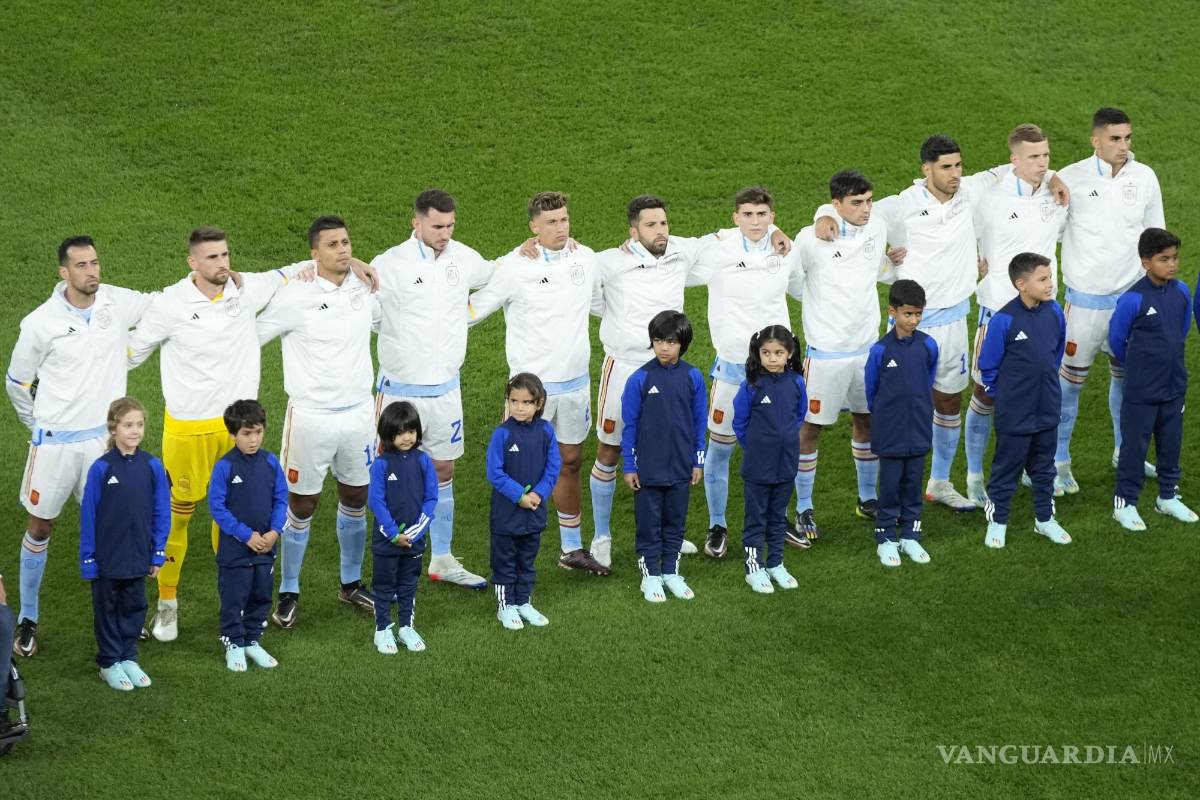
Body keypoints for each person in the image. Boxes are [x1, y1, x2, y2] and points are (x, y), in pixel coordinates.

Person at [812, 137, 1060, 511]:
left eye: (959, 165)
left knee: (948, 401)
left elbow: (1019, 167)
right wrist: (822, 216)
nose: (955, 174)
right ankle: (886, 492)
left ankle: (940, 482)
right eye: (946, 167)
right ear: (926, 168)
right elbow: (850, 210)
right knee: (904, 406)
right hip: (913, 327)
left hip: (956, 319)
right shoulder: (902, 206)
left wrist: (1056, 178)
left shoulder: (971, 191)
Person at [127, 227, 320, 642]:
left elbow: (292, 270)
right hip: (187, 431)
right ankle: (167, 605)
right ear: (192, 262)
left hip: (234, 431)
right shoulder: (170, 304)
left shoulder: (245, 290)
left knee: (231, 517)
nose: (222, 264)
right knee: (177, 517)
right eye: (212, 257)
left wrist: (352, 263)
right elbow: (130, 353)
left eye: (226, 255)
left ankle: (230, 607)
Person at [589, 196, 790, 565]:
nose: (660, 231)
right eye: (650, 225)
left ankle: (669, 533)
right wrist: (618, 319)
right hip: (625, 366)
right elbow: (586, 294)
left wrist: (775, 230)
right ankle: (602, 537)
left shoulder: (683, 251)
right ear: (633, 230)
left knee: (668, 447)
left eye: (663, 223)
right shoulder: (609, 262)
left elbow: (739, 230)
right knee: (611, 449)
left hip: (669, 370)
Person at [6, 236, 155, 658]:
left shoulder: (116, 302)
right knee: (40, 527)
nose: (92, 271)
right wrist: (36, 424)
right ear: (64, 273)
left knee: (113, 528)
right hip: (54, 447)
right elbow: (17, 381)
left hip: (102, 444)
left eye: (95, 263)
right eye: (82, 265)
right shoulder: (40, 322)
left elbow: (160, 305)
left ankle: (123, 617)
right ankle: (28, 618)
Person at [470, 192, 609, 576]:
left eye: (564, 220)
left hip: (576, 384)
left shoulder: (586, 258)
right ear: (533, 227)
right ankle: (509, 553)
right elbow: (473, 309)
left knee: (570, 461)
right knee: (516, 470)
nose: (560, 228)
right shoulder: (514, 266)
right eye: (550, 222)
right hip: (529, 394)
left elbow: (603, 302)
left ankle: (570, 548)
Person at [256, 215, 380, 628]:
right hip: (310, 417)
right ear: (314, 253)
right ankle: (289, 590)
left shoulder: (365, 286)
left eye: (346, 242)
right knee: (302, 503)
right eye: (332, 245)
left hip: (360, 414)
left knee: (356, 497)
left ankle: (350, 584)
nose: (343, 249)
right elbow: (252, 335)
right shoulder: (296, 295)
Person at [370, 189, 494, 590]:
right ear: (416, 222)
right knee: (388, 472)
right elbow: (369, 315)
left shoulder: (464, 258)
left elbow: (496, 275)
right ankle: (388, 556)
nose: (445, 233)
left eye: (451, 225)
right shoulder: (390, 264)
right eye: (438, 226)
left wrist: (529, 250)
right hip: (400, 391)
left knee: (443, 468)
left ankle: (441, 557)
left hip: (446, 391)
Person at [1054, 107, 1165, 491]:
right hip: (1084, 304)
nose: (1123, 146)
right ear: (1095, 140)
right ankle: (1058, 462)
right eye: (1115, 138)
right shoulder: (1069, 179)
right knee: (1069, 385)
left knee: (1129, 381)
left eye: (1128, 138)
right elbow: (1045, 232)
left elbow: (1156, 237)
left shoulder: (1145, 177)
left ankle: (1126, 453)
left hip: (1130, 303)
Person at [693, 186, 805, 558]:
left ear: (772, 216)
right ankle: (717, 525)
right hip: (732, 372)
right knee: (720, 449)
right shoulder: (718, 248)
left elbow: (804, 288)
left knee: (781, 445)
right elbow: (672, 248)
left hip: (778, 373)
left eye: (762, 215)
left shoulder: (785, 251)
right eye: (748, 215)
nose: (755, 222)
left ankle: (779, 517)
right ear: (735, 217)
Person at [964, 124, 1068, 504]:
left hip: (1042, 312)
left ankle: (1031, 469)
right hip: (997, 312)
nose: (1042, 164)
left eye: (1046, 157)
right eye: (1033, 158)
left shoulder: (1057, 194)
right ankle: (975, 475)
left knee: (1038, 392)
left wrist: (1055, 177)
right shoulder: (987, 195)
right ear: (1013, 160)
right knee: (985, 394)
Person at [787, 170, 889, 541]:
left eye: (868, 201)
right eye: (856, 203)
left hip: (867, 348)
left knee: (867, 420)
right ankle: (803, 506)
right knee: (810, 428)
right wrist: (820, 217)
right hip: (826, 354)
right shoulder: (809, 239)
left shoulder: (877, 227)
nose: (865, 209)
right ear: (836, 205)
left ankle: (867, 497)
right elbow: (793, 281)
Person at [978, 253, 1072, 549]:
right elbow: (988, 366)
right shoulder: (1004, 320)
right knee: (1007, 469)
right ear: (1021, 284)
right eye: (1043, 279)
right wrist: (1007, 396)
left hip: (1047, 405)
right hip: (1014, 411)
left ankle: (1045, 520)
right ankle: (998, 521)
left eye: (1050, 278)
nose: (1050, 284)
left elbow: (1054, 354)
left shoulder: (1055, 311)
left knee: (1045, 469)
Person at [79, 397, 169, 691]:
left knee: (135, 605)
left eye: (139, 424)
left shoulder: (153, 466)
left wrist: (157, 552)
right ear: (113, 428)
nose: (135, 430)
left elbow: (161, 511)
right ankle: (108, 662)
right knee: (107, 608)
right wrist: (88, 558)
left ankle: (128, 656)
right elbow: (89, 515)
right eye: (128, 425)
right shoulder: (101, 469)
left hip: (138, 555)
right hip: (108, 557)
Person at [1109, 228, 1197, 530]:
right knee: (1135, 447)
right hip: (1142, 389)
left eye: (1174, 258)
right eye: (1164, 259)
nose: (1172, 265)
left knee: (1171, 444)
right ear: (1146, 262)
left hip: (1174, 385)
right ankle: (1126, 503)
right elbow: (1117, 340)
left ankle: (1168, 497)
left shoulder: (1182, 291)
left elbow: (1181, 330)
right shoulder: (1132, 299)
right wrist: (1140, 367)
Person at [620, 311, 707, 603]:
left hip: (681, 466)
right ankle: (650, 575)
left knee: (675, 522)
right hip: (648, 469)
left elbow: (699, 422)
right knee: (649, 523)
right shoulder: (640, 379)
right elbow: (629, 426)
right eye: (658, 341)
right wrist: (630, 465)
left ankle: (671, 571)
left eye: (670, 341)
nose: (663, 348)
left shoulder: (693, 377)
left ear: (682, 343)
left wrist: (698, 461)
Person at [208, 400, 287, 672]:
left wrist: (275, 531)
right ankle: (233, 642)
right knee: (234, 597)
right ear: (232, 434)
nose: (254, 440)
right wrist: (246, 535)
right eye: (246, 434)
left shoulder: (270, 462)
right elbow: (217, 508)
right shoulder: (224, 467)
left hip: (266, 547)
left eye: (258, 432)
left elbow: (281, 499)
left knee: (261, 595)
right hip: (235, 551)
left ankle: (252, 639)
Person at [865, 280, 938, 567]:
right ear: (892, 312)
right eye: (908, 314)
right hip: (890, 430)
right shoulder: (880, 351)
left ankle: (910, 534)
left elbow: (927, 379)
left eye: (918, 314)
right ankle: (885, 537)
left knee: (912, 483)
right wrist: (887, 415)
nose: (914, 320)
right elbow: (872, 391)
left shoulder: (928, 345)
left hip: (918, 427)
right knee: (891, 485)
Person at [732, 325, 807, 593]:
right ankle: (754, 568)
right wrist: (756, 447)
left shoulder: (797, 382)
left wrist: (783, 442)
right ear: (758, 353)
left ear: (790, 353)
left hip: (786, 464)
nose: (772, 358)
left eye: (778, 352)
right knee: (756, 518)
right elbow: (739, 423)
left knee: (778, 517)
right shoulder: (751, 386)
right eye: (766, 352)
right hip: (758, 467)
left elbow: (799, 415)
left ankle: (776, 563)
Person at [485, 373, 562, 630]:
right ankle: (505, 606)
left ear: (538, 404)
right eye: (514, 401)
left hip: (534, 511)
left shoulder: (546, 431)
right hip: (507, 515)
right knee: (505, 562)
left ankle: (523, 602)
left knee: (527, 561)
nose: (519, 407)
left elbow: (554, 467)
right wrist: (519, 496)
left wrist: (538, 494)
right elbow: (495, 473)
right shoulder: (502, 434)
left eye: (526, 402)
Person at [368, 402, 438, 654]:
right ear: (388, 434)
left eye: (410, 430)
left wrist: (415, 532)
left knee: (409, 583)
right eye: (399, 432)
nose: (406, 437)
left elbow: (431, 498)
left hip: (415, 541)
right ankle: (382, 629)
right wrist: (394, 534)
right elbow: (376, 501)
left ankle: (406, 626)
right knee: (384, 585)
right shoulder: (381, 465)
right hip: (387, 542)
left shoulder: (423, 461)